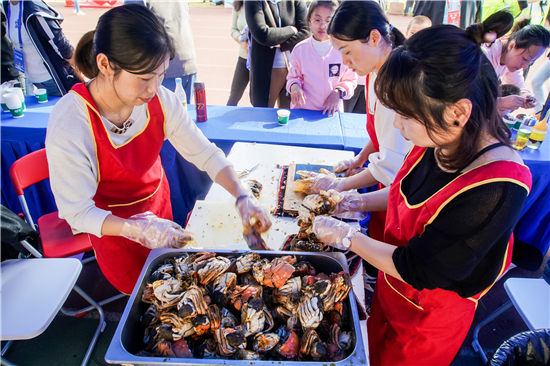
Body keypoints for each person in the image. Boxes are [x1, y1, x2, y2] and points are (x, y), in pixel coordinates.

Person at [312, 23, 532, 366]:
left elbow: (420, 267)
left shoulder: (499, 187)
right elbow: (404, 194)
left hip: (427, 322)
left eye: (406, 115)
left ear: (458, 111)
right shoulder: (442, 136)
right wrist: (355, 201)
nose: (398, 127)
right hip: (390, 290)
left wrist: (348, 237)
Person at [45, 4, 271, 295]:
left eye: (161, 75)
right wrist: (134, 229)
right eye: (143, 78)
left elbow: (204, 153)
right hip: (112, 229)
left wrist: (242, 196)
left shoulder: (162, 100)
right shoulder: (71, 122)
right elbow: (77, 212)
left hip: (159, 209)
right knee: (141, 297)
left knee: (175, 284)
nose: (153, 89)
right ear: (104, 65)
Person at [298, 1, 412, 244]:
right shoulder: (373, 72)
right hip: (388, 187)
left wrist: (341, 186)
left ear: (374, 37)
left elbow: (391, 166)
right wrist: (360, 159)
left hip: (404, 193)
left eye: (347, 52)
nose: (345, 62)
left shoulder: (396, 87)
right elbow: (382, 133)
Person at [286, 0, 357, 116]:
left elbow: (350, 80)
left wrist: (338, 92)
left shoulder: (343, 50)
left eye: (328, 21)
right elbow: (292, 77)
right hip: (302, 113)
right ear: (309, 20)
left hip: (331, 113)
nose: (322, 25)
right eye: (317, 20)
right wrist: (294, 87)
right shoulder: (300, 49)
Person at [3, 0, 80, 96]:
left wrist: (78, 72)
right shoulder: (7, 5)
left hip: (51, 79)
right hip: (31, 79)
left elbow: (61, 44)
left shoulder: (33, 6)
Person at [245, 0, 310, 108]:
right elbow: (264, 35)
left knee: (289, 116)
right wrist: (292, 30)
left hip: (295, 71)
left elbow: (306, 33)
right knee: (263, 115)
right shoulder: (253, 2)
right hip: (267, 71)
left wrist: (277, 42)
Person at [482, 11, 550, 112]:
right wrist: (501, 102)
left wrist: (526, 96)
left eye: (531, 62)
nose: (525, 66)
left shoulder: (509, 58)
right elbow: (468, 96)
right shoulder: (485, 54)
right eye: (525, 59)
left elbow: (518, 83)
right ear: (512, 46)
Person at [146, 0, 197, 104]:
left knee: (166, 114)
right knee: (184, 112)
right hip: (187, 55)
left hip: (165, 64)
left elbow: (131, 28)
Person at [227, 0, 250, 106]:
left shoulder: (264, 4)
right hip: (243, 59)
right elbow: (233, 29)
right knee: (234, 96)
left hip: (260, 62)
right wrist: (242, 41)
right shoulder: (238, 5)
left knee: (259, 101)